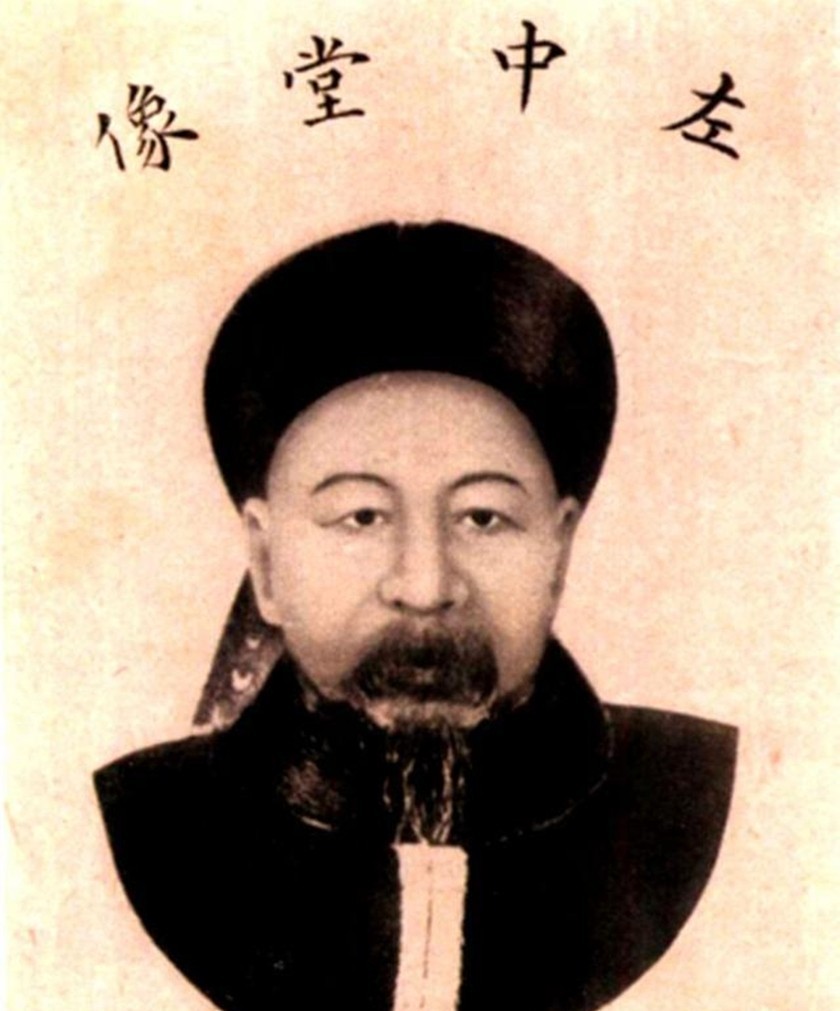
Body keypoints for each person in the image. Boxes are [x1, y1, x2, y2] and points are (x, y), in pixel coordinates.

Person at [94, 221, 737, 1011]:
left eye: (483, 517)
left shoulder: (698, 799)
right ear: (265, 559)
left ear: (559, 551)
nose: (425, 585)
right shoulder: (142, 823)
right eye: (362, 516)